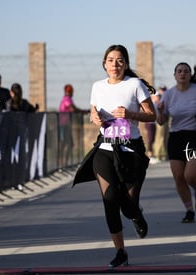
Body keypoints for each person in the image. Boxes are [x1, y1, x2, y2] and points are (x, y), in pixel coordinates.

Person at [72, 45, 156, 268]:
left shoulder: (135, 85)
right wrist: (95, 119)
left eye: (119, 60)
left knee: (128, 206)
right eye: (110, 60)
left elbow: (152, 115)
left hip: (131, 152)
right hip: (105, 150)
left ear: (125, 64)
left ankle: (136, 215)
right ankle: (121, 252)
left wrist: (130, 114)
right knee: (110, 201)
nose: (115, 64)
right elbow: (93, 113)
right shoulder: (97, 87)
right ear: (104, 63)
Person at [156, 62, 196, 223]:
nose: (182, 73)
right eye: (179, 71)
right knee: (178, 177)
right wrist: (160, 111)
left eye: (186, 71)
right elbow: (162, 121)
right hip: (176, 138)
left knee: (190, 175)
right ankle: (189, 210)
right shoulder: (168, 94)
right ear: (175, 75)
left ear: (190, 75)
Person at [58, 84, 87, 167]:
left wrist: (82, 111)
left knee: (69, 144)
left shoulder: (68, 99)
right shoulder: (66, 99)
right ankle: (61, 164)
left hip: (66, 124)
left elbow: (74, 108)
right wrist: (81, 111)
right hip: (63, 125)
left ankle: (65, 164)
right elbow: (72, 109)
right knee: (64, 144)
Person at [153, 85, 168, 161]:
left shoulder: (166, 98)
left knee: (166, 138)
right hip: (160, 122)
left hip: (166, 121)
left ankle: (166, 155)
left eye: (164, 90)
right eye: (162, 90)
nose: (163, 92)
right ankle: (157, 155)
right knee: (159, 138)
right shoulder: (158, 100)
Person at [144, 92, 160, 164]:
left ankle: (151, 154)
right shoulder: (152, 103)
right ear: (153, 97)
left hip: (153, 123)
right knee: (150, 139)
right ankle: (150, 156)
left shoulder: (156, 104)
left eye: (159, 96)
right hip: (149, 123)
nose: (158, 97)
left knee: (152, 139)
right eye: (157, 96)